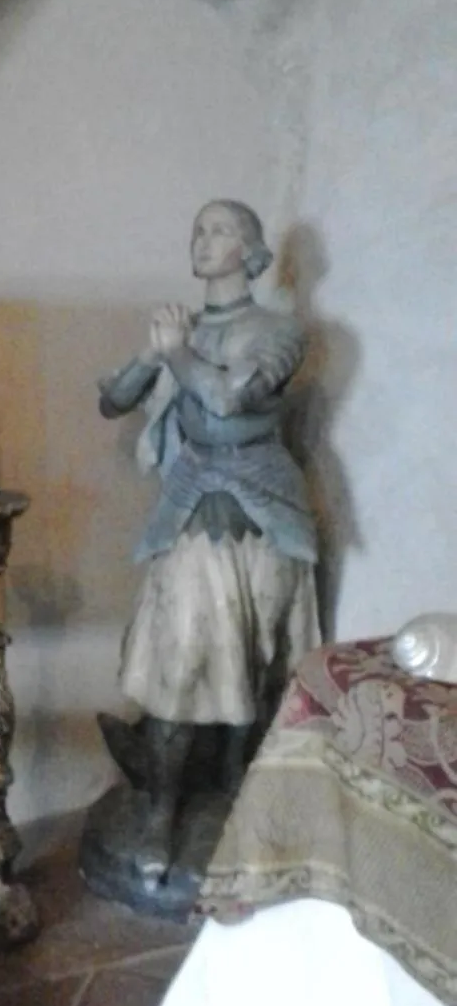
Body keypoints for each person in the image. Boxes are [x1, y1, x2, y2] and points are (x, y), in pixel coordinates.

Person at [98, 199, 320, 882]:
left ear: (251, 253)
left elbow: (230, 400)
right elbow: (112, 398)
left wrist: (178, 353)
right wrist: (151, 353)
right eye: (197, 227)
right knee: (179, 660)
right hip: (194, 510)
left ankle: (235, 798)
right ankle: (162, 811)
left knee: (255, 664)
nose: (202, 238)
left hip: (260, 512)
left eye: (220, 229)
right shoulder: (182, 332)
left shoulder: (280, 330)